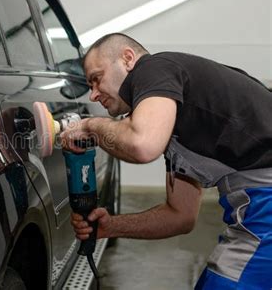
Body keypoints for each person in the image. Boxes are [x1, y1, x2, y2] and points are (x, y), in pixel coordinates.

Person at [61, 32, 272, 289]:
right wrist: (111, 226)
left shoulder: (155, 67)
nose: (93, 95)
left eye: (97, 79)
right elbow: (180, 216)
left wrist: (91, 126)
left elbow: (142, 145)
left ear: (128, 58)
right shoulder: (178, 124)